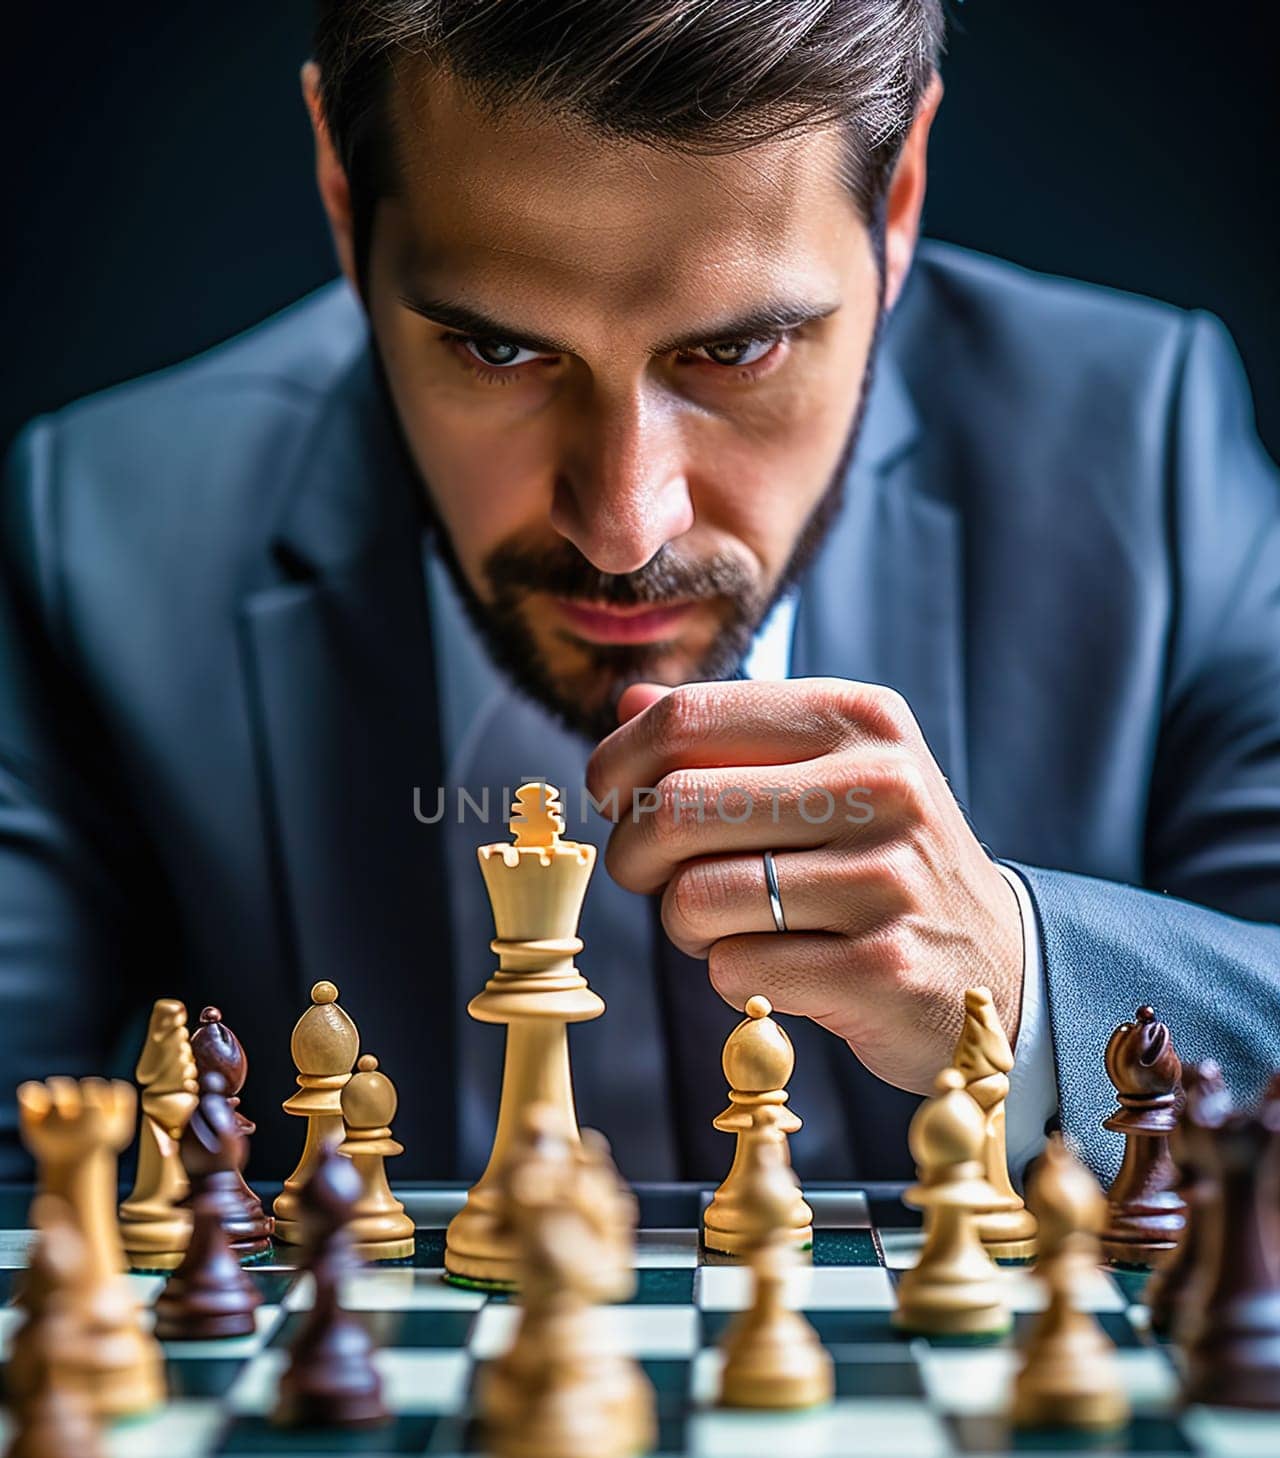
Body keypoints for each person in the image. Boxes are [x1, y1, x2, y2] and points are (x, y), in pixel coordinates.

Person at [2, 0, 1277, 1185]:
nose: (622, 525)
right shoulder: (103, 531)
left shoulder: (1142, 455)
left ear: (895, 200)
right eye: (497, 348)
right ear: (344, 200)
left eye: (735, 349)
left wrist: (1029, 972)